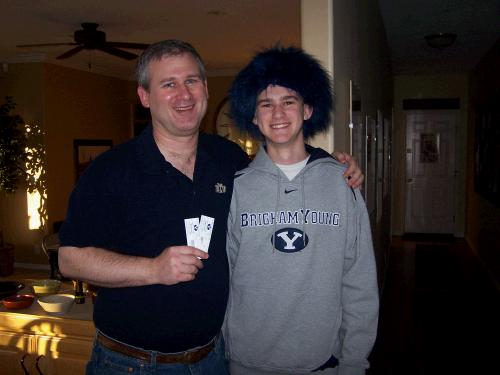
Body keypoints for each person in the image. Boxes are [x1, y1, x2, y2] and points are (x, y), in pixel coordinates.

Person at [58, 40, 364, 375]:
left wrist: (330, 166)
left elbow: (280, 165)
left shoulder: (228, 159)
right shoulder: (111, 170)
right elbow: (70, 259)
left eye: (191, 81)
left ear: (204, 88)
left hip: (214, 358)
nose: (184, 94)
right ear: (145, 97)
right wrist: (153, 269)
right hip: (131, 363)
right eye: (169, 84)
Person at [224, 46, 379, 375]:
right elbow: (222, 277)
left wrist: (353, 361)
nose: (277, 113)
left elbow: (360, 282)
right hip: (246, 362)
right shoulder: (236, 188)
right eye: (266, 104)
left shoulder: (342, 183)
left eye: (288, 101)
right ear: (253, 115)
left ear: (308, 109)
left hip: (322, 363)